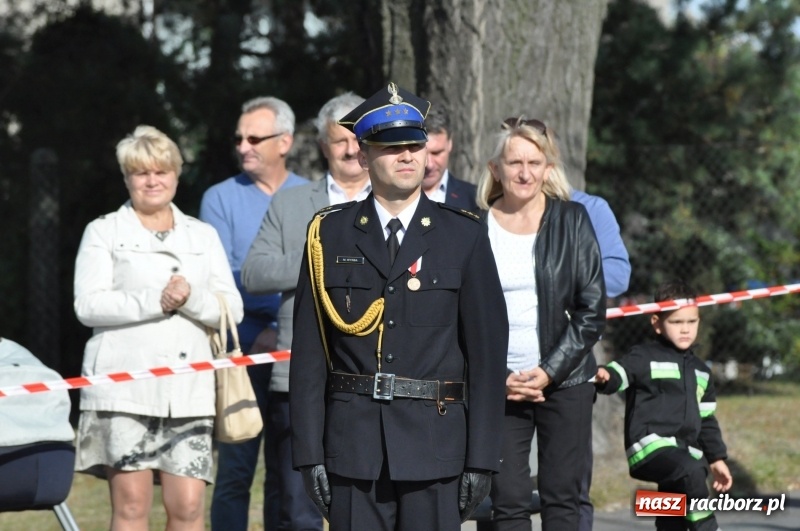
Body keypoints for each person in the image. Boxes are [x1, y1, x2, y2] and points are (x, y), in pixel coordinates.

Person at [289, 83, 509, 531]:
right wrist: (308, 454)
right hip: (353, 449)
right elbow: (310, 354)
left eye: (415, 146)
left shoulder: (462, 236)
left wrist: (482, 460)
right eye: (391, 148)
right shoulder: (329, 235)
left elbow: (487, 357)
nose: (407, 156)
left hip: (435, 445)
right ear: (364, 156)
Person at [73, 125, 242, 531]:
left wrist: (190, 299)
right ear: (127, 177)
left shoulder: (203, 235)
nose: (152, 181)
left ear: (176, 174)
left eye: (161, 171)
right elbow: (87, 304)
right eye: (141, 172)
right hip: (123, 390)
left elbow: (231, 308)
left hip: (189, 390)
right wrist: (156, 300)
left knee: (188, 509)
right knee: (131, 508)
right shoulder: (103, 230)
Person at [240, 92, 370, 530]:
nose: (351, 150)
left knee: (369, 506)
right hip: (301, 377)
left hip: (376, 378)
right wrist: (317, 256)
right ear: (322, 145)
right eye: (340, 142)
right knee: (296, 509)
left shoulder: (399, 202)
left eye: (359, 138)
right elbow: (254, 273)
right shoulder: (291, 204)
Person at [477, 117, 606, 531]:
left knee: (562, 499)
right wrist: (500, 376)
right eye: (514, 162)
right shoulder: (473, 227)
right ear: (495, 168)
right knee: (508, 502)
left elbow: (592, 309)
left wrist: (548, 371)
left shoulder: (573, 221)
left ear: (548, 168)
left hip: (565, 381)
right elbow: (462, 315)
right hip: (500, 384)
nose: (525, 172)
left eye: (535, 162)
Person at [199, 96, 308, 531]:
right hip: (240, 353)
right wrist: (260, 329)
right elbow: (224, 276)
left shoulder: (309, 195)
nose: (243, 145)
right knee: (235, 471)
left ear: (285, 142)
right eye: (238, 138)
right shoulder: (219, 199)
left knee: (289, 472)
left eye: (254, 137)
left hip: (295, 352)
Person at [595, 279, 733, 531]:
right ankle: (709, 528)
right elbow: (620, 373)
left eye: (691, 322)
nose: (685, 329)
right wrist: (605, 376)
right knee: (691, 470)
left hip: (684, 452)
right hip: (650, 446)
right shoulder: (645, 356)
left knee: (675, 505)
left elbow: (707, 420)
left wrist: (716, 458)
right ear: (657, 324)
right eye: (676, 322)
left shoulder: (702, 372)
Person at [571, 188, 631, 531]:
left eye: (535, 160)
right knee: (507, 490)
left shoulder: (588, 209)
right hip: (505, 358)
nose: (525, 172)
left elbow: (619, 275)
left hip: (573, 355)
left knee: (572, 483)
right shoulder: (490, 206)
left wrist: (561, 281)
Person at [422, 106, 479, 212]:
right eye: (422, 154)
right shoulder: (388, 197)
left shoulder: (475, 199)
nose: (429, 164)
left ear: (450, 143)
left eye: (436, 153)